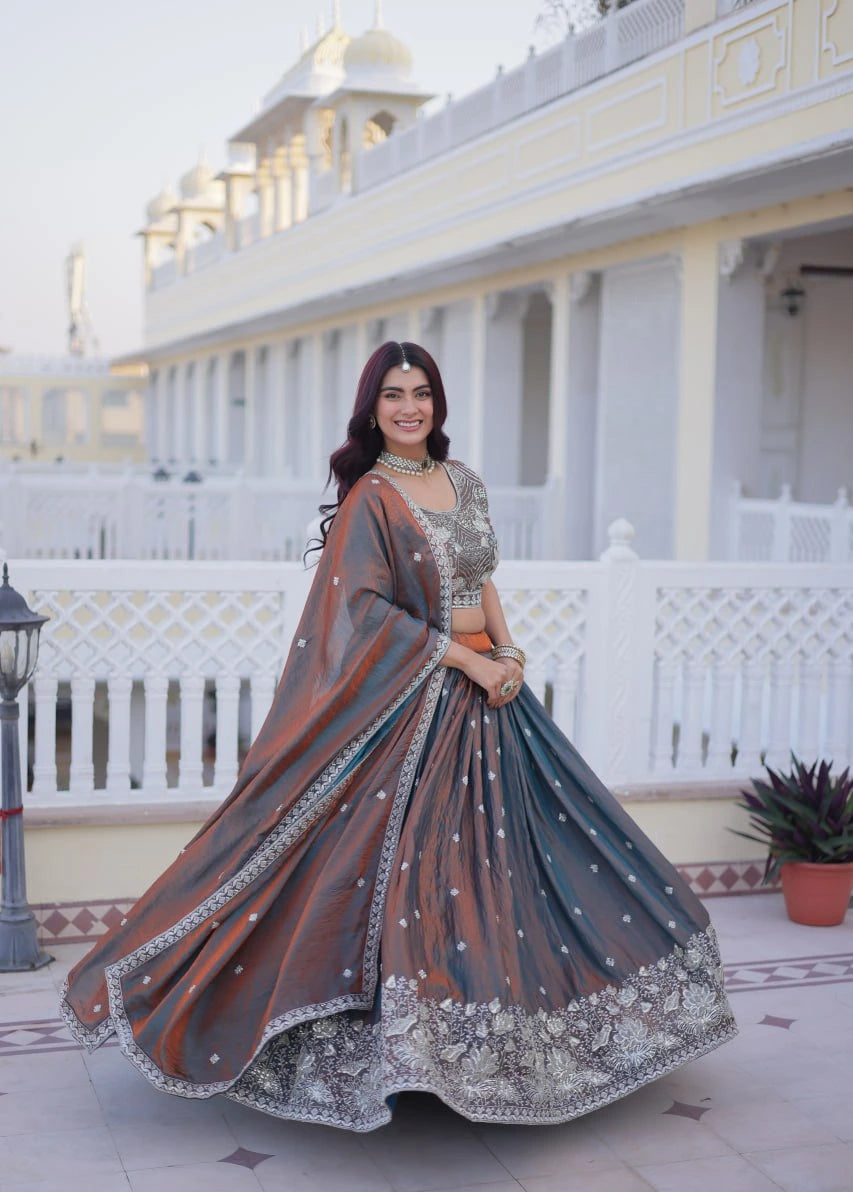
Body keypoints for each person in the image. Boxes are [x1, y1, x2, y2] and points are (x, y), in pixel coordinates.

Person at [61, 341, 737, 1131]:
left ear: (437, 404)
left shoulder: (464, 482)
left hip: (494, 690)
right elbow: (367, 613)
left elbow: (482, 578)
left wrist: (508, 653)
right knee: (423, 884)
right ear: (371, 408)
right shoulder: (372, 498)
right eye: (393, 395)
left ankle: (512, 1043)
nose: (409, 407)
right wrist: (466, 664)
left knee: (536, 864)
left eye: (420, 393)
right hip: (422, 704)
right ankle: (409, 1053)